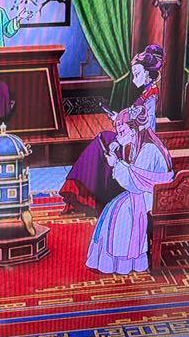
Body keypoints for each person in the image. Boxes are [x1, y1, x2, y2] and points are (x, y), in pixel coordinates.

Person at [61, 44, 165, 214]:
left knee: (103, 143)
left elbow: (147, 129)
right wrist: (121, 119)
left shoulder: (151, 96)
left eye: (137, 74)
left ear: (147, 73)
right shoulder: (148, 93)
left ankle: (89, 199)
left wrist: (124, 125)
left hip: (139, 146)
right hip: (131, 138)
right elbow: (135, 119)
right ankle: (84, 197)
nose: (134, 79)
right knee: (102, 140)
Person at [85, 107, 175, 276]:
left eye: (122, 130)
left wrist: (116, 163)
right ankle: (108, 259)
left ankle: (123, 261)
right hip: (148, 192)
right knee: (113, 206)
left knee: (120, 212)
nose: (119, 135)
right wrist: (117, 148)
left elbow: (134, 182)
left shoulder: (148, 150)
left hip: (156, 196)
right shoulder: (139, 145)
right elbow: (135, 175)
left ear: (134, 130)